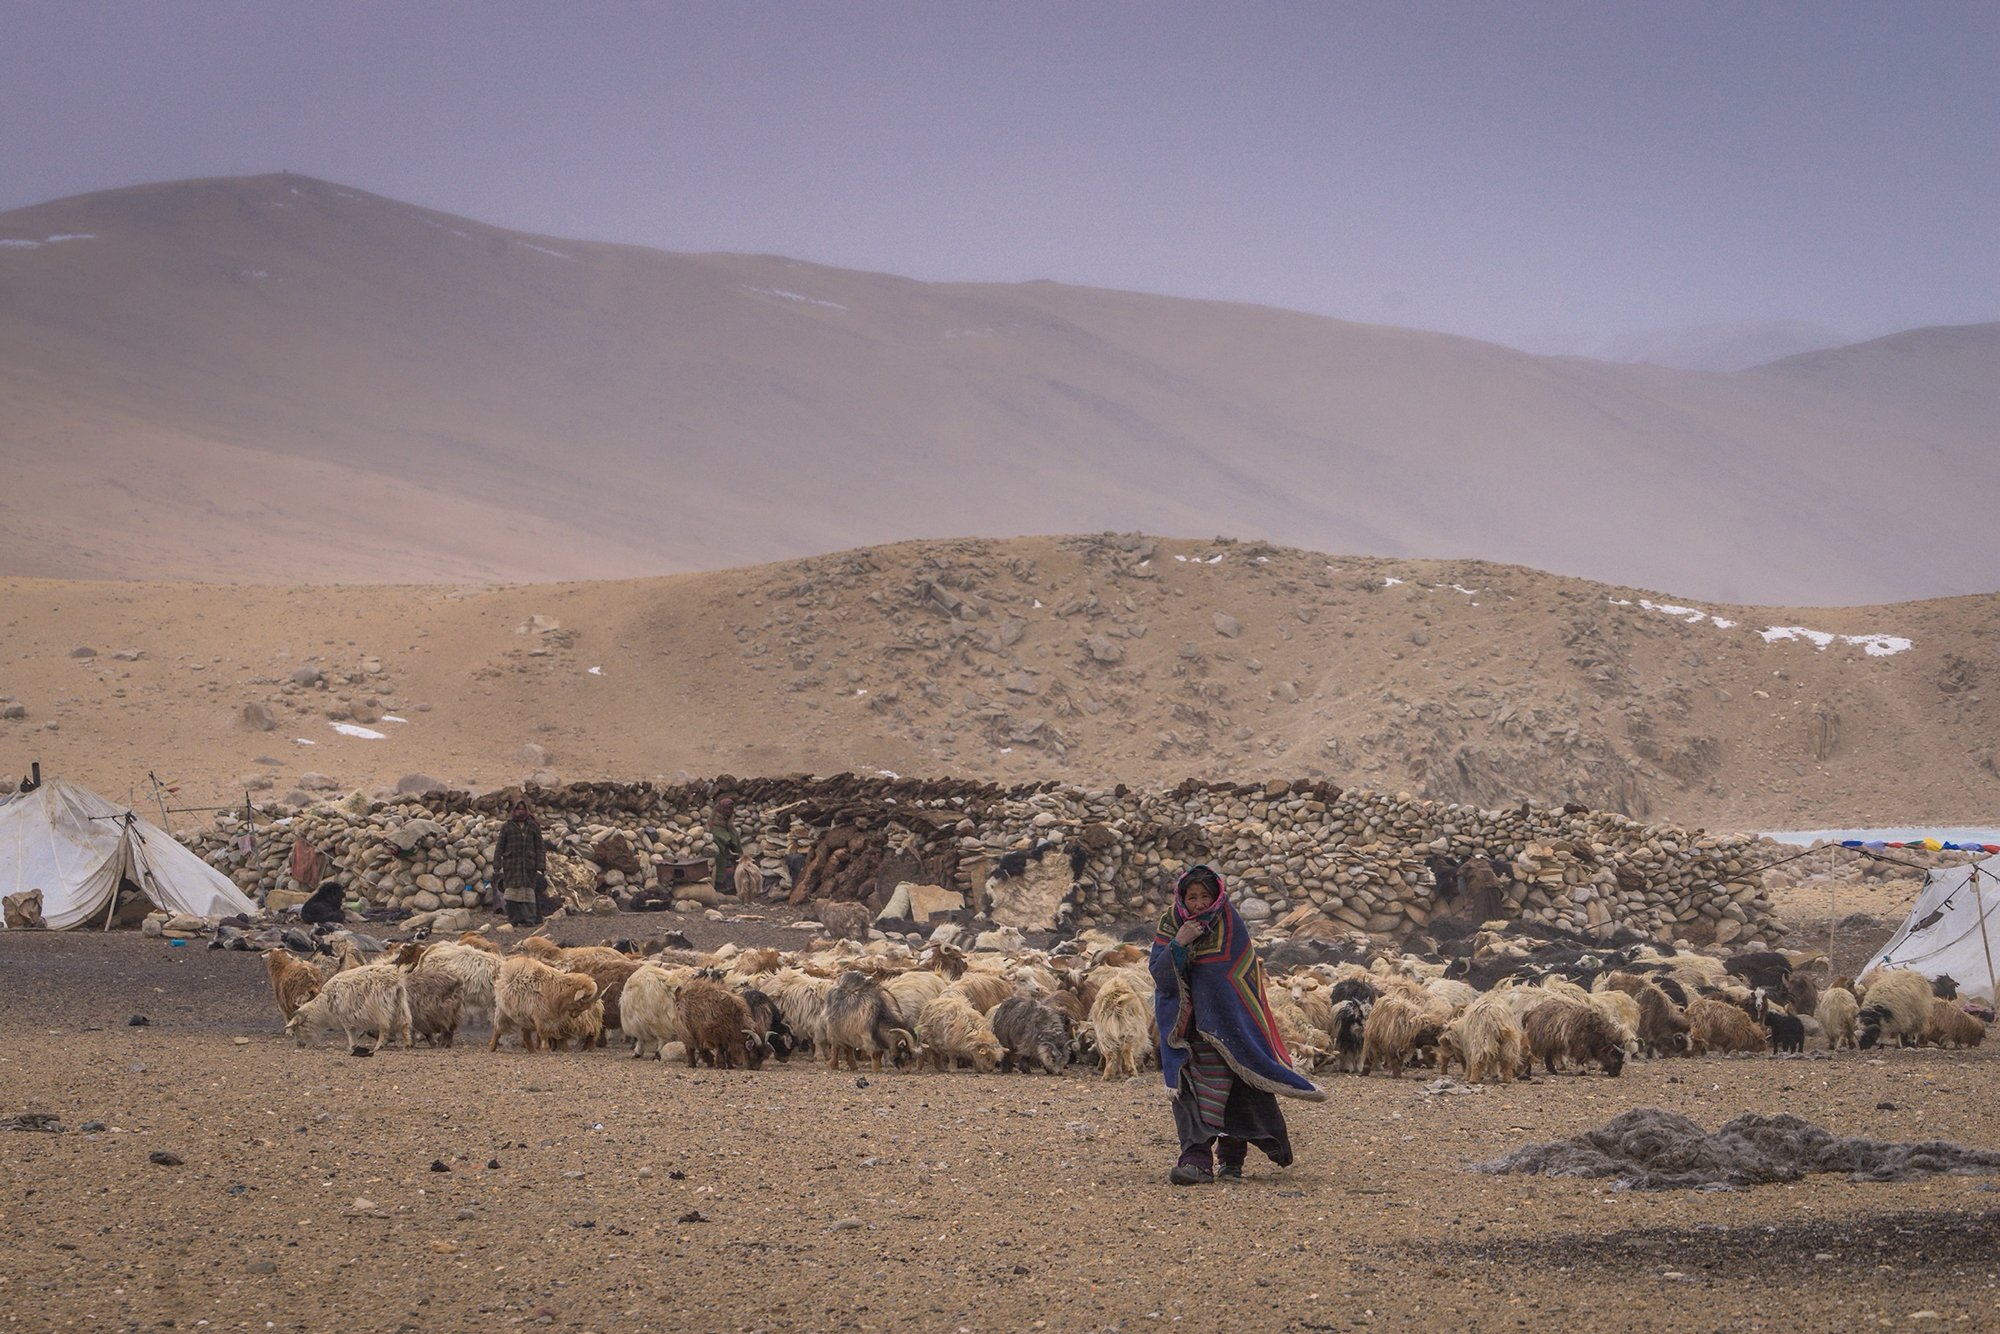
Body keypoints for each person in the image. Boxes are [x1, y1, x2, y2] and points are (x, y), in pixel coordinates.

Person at [1150, 864, 1324, 1185]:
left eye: (1205, 896)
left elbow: (1238, 977)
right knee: (1189, 1094)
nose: (1199, 903)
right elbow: (1160, 975)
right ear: (1181, 899)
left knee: (1234, 1092)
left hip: (1229, 1027)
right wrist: (1179, 942)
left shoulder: (1230, 925)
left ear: (1216, 896)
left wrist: (1230, 1019)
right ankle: (1195, 1161)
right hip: (1186, 1032)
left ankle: (1231, 1162)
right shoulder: (1171, 924)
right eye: (1192, 897)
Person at [494, 801, 547, 927]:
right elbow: (500, 846)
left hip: (529, 866)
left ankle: (529, 919)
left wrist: (541, 865)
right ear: (513, 811)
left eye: (523, 809)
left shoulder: (533, 826)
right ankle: (513, 919)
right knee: (512, 893)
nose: (520, 812)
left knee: (528, 893)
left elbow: (539, 847)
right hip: (512, 865)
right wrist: (497, 864)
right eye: (518, 809)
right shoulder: (507, 826)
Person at [709, 797, 744, 898]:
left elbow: (732, 831)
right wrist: (727, 839)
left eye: (730, 809)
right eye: (726, 809)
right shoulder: (715, 819)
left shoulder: (729, 821)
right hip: (720, 852)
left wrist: (733, 841)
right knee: (724, 865)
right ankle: (721, 886)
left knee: (732, 866)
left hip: (729, 852)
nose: (728, 811)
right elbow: (715, 832)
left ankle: (731, 888)